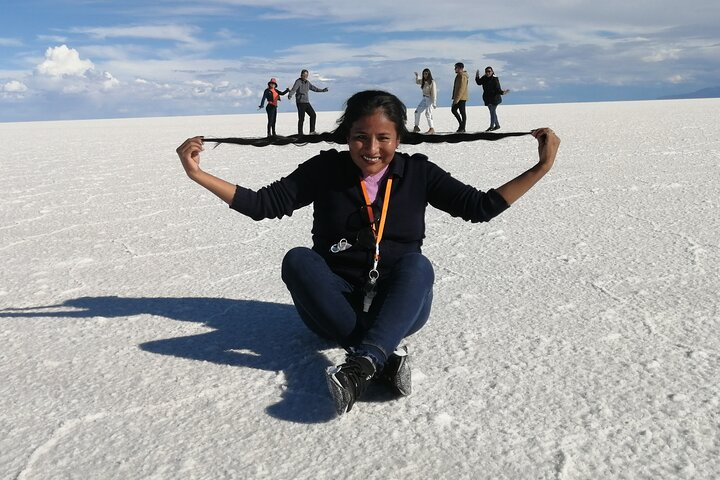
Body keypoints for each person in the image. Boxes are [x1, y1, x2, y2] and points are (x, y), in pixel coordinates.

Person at [176, 90, 560, 416]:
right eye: (361, 137)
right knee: (298, 259)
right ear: (347, 135)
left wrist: (541, 167)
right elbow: (263, 204)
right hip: (333, 306)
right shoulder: (325, 169)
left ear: (399, 138)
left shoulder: (419, 173)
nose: (371, 149)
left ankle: (361, 362)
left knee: (417, 265)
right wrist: (197, 175)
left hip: (400, 304)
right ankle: (379, 355)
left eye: (383, 138)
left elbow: (480, 207)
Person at [287, 69, 328, 135]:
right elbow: (294, 89)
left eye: (307, 75)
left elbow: (314, 88)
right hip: (300, 102)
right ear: (301, 75)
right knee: (301, 118)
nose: (305, 76)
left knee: (313, 115)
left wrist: (322, 90)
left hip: (306, 102)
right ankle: (300, 133)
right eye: (304, 75)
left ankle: (312, 131)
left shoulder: (308, 83)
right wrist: (290, 94)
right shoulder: (298, 81)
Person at [475, 66, 510, 131]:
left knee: (492, 112)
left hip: (495, 98)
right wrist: (477, 76)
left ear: (492, 72)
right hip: (487, 98)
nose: (488, 73)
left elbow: (498, 89)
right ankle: (497, 125)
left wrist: (503, 92)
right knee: (492, 112)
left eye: (489, 71)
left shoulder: (495, 79)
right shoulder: (484, 78)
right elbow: (479, 82)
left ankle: (491, 126)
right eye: (486, 71)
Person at [413, 69, 437, 134]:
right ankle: (416, 127)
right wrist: (417, 76)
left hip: (430, 99)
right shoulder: (423, 81)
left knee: (428, 114)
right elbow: (418, 81)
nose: (425, 75)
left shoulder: (432, 82)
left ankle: (431, 128)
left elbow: (434, 93)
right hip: (424, 99)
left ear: (429, 74)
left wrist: (434, 102)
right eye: (424, 73)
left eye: (426, 73)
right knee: (417, 112)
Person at [451, 62, 469, 133]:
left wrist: (457, 99)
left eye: (456, 67)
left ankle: (462, 127)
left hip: (461, 98)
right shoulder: (459, 75)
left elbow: (462, 88)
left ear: (460, 68)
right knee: (454, 110)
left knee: (462, 112)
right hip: (458, 97)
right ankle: (461, 126)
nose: (454, 69)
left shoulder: (463, 76)